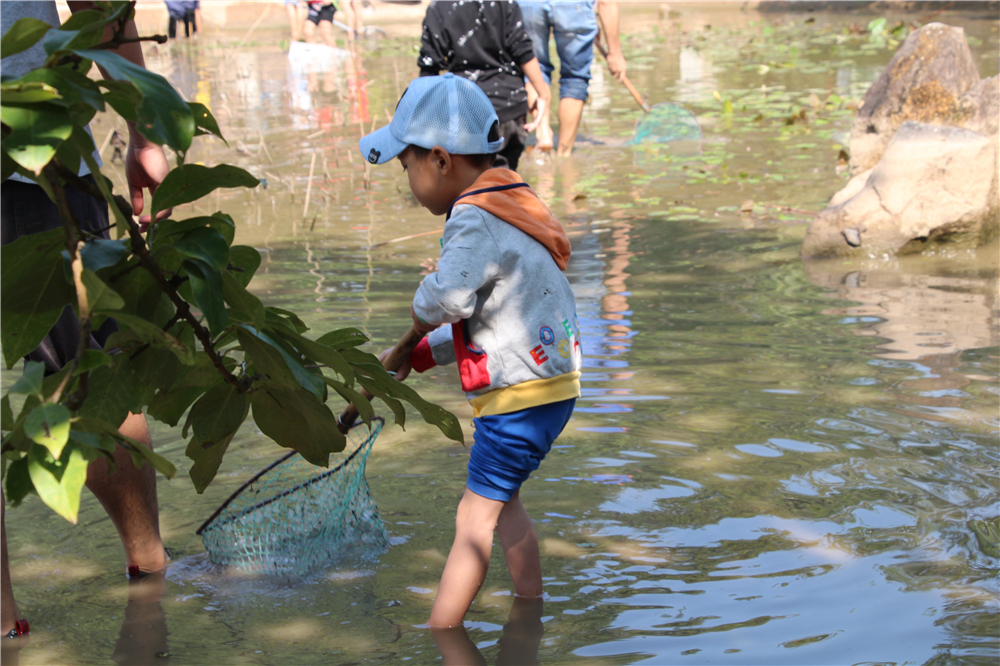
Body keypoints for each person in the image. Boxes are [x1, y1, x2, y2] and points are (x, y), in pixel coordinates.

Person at [359, 73, 583, 628]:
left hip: (518, 398)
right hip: (549, 386)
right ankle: (530, 606)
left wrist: (420, 307)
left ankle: (443, 633)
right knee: (503, 510)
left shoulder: (474, 217)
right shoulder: (510, 199)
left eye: (405, 166)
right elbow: (485, 316)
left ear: (439, 159)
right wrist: (419, 354)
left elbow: (448, 298)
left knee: (472, 520)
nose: (406, 180)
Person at [1, 0, 172, 642]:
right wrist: (146, 134)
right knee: (93, 379)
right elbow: (107, 10)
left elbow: (105, 8)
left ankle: (146, 566)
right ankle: (150, 573)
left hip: (41, 165)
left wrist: (146, 134)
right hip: (40, 164)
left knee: (94, 379)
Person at [418, 0, 551, 172]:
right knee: (506, 179)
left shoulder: (439, 6)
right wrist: (542, 93)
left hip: (464, 110)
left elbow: (429, 67)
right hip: (508, 106)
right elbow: (522, 50)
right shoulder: (506, 2)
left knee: (472, 183)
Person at [519, 0, 627, 156]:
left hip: (529, 5)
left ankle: (543, 133)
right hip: (573, 6)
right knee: (574, 79)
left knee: (534, 68)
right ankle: (564, 152)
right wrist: (615, 52)